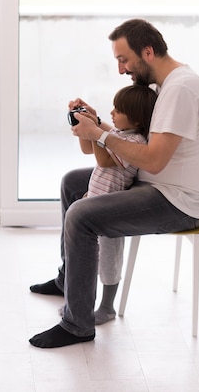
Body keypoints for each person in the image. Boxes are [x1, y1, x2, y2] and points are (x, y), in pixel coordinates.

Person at [29, 18, 199, 348]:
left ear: (147, 52)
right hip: (156, 186)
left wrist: (100, 135)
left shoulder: (180, 90)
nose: (121, 70)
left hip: (179, 202)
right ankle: (69, 280)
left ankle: (77, 324)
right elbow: (140, 140)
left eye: (124, 60)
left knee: (81, 215)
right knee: (73, 183)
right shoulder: (166, 86)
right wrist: (99, 123)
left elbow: (154, 159)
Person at [68, 84, 157, 325]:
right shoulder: (118, 134)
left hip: (110, 210)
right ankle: (79, 301)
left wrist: (96, 132)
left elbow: (105, 161)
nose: (111, 113)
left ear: (136, 118)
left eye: (118, 110)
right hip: (95, 199)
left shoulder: (135, 142)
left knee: (109, 261)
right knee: (88, 257)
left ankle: (107, 307)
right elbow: (89, 149)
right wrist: (84, 124)